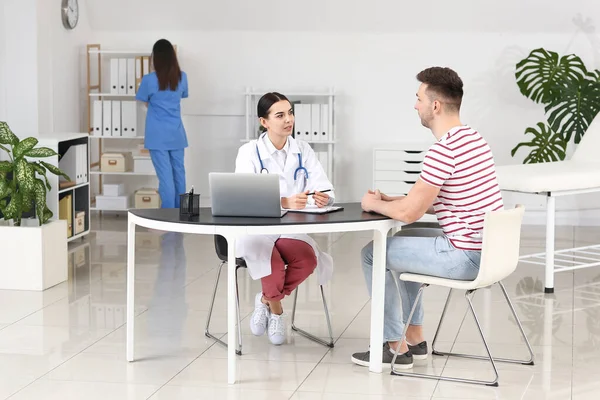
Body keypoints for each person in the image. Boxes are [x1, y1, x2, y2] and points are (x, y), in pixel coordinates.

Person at [351, 67, 504, 369]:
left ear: (435, 105)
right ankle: (415, 338)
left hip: (464, 256)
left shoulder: (444, 151)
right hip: (489, 252)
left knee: (373, 254)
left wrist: (373, 203)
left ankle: (393, 344)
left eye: (418, 98)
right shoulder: (474, 140)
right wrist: (395, 200)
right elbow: (449, 201)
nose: (415, 105)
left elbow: (411, 212)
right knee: (402, 241)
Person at [234, 92, 335, 345]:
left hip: (291, 227)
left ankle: (266, 300)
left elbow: (323, 186)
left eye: (290, 113)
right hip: (256, 229)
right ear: (264, 121)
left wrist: (323, 197)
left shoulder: (303, 149)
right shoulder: (249, 152)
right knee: (273, 263)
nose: (288, 119)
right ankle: (277, 313)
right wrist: (283, 202)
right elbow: (242, 196)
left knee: (307, 260)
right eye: (280, 115)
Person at [136, 39, 189, 208]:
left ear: (155, 58)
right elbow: (181, 96)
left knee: (165, 177)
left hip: (157, 135)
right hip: (177, 134)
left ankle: (168, 216)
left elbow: (143, 101)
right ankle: (182, 214)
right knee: (179, 174)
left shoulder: (149, 80)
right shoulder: (182, 77)